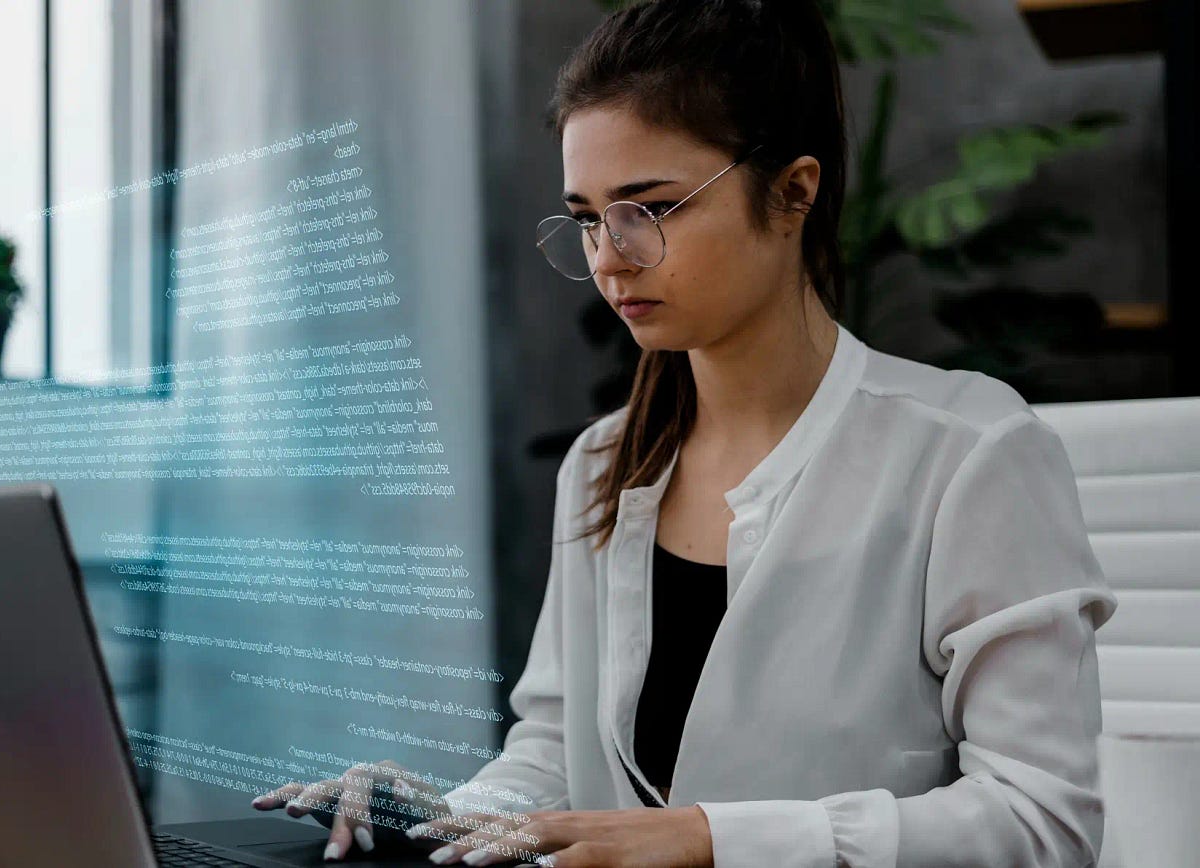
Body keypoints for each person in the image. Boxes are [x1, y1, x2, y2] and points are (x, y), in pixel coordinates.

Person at [253, 0, 1119, 865]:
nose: (608, 257)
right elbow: (555, 755)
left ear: (793, 193)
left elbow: (1043, 823)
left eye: (650, 209)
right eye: (588, 217)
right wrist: (435, 817)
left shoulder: (970, 453)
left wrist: (710, 839)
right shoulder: (604, 463)